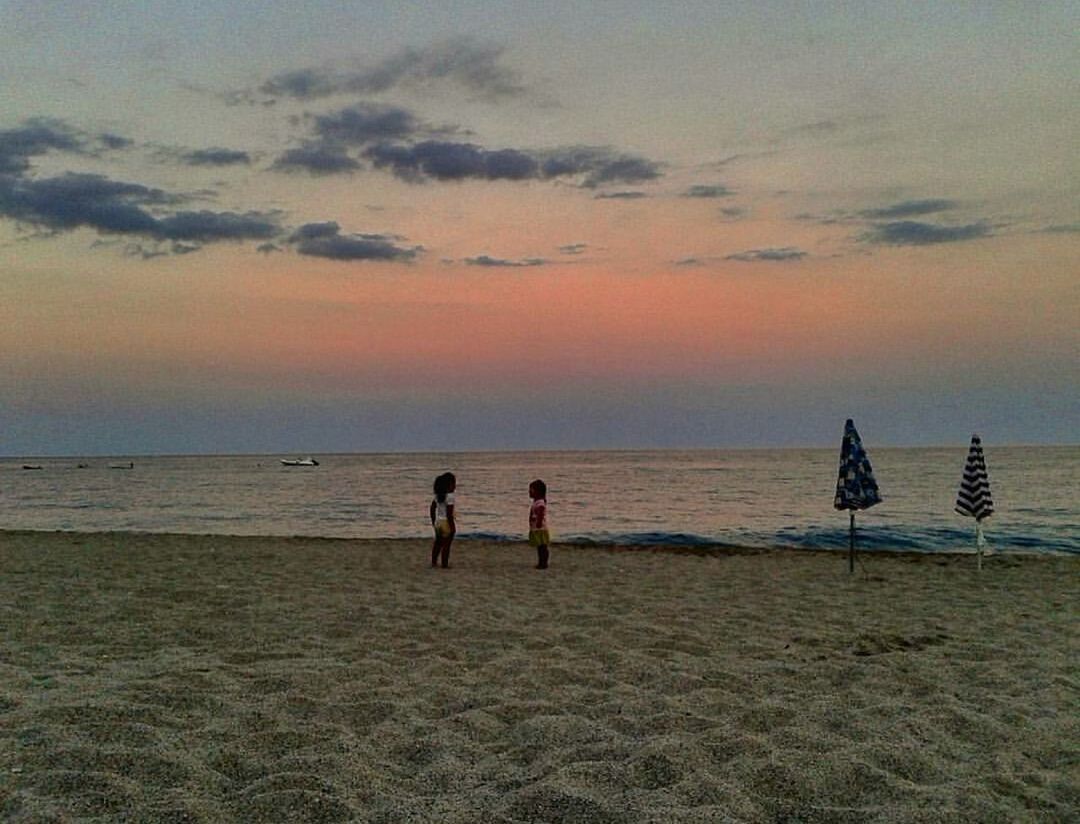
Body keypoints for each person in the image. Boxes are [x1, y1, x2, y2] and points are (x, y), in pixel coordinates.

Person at [430, 472, 456, 568]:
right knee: (446, 545)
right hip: (446, 523)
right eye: (453, 484)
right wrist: (452, 526)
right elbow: (449, 514)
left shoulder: (438, 496)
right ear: (449, 485)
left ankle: (434, 562)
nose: (455, 487)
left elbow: (432, 508)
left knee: (438, 543)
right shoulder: (450, 497)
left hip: (438, 522)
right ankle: (444, 564)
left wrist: (433, 520)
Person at [528, 479, 550, 569]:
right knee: (540, 547)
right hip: (537, 528)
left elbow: (541, 512)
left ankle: (543, 563)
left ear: (537, 491)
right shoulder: (537, 502)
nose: (529, 492)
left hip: (540, 529)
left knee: (542, 547)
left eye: (531, 490)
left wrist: (539, 523)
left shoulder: (540, 503)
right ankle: (542, 562)